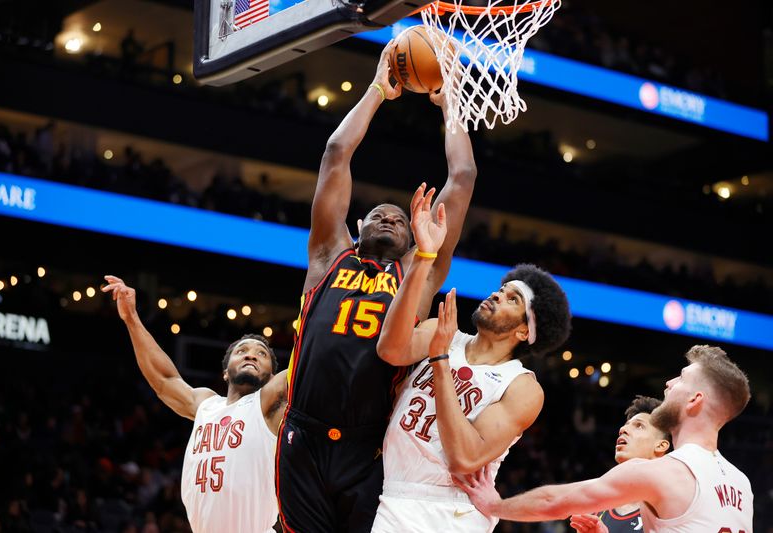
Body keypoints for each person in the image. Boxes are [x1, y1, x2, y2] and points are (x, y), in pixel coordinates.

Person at [275, 39, 478, 533]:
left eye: (398, 218)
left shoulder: (417, 274)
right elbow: (336, 153)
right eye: (378, 215)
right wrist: (375, 91)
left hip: (368, 446)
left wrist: (451, 99)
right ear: (358, 225)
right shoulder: (328, 257)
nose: (389, 216)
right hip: (302, 433)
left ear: (413, 236)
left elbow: (463, 174)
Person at [370, 189, 571, 532]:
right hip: (395, 493)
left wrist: (440, 360)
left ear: (524, 331)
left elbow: (465, 457)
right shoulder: (443, 333)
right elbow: (389, 349)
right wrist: (424, 255)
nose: (496, 294)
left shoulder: (521, 386)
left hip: (451, 510)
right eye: (501, 289)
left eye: (512, 300)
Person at [457, 345, 753, 533]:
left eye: (681, 379)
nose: (669, 383)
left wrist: (496, 506)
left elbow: (553, 501)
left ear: (695, 400)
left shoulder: (666, 472)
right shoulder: (742, 485)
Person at [102, 275, 287, 533]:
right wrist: (132, 319)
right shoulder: (206, 404)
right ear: (225, 372)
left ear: (270, 376)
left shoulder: (269, 404)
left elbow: (310, 358)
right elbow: (164, 380)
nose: (251, 355)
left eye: (261, 354)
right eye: (242, 350)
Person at [569, 396, 671, 533]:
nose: (623, 429)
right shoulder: (595, 511)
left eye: (639, 426)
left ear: (661, 445)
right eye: (626, 424)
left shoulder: (673, 510)